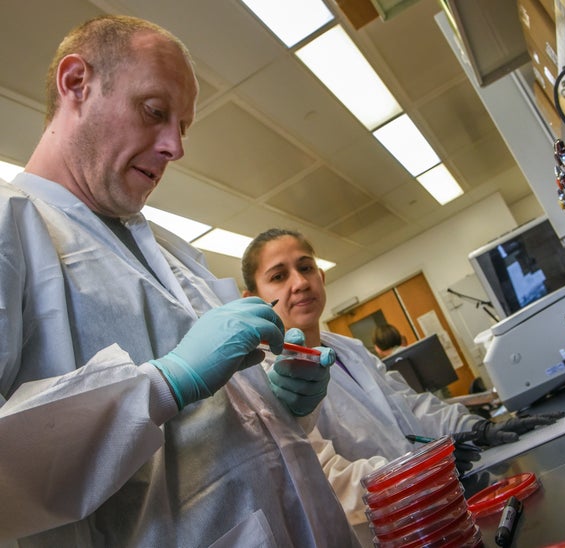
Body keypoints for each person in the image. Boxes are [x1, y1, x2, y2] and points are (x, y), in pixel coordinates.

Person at [0, 16, 360, 547]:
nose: (175, 146)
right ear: (76, 83)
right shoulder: (13, 229)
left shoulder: (170, 249)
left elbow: (222, 430)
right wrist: (163, 384)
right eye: (154, 112)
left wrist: (282, 404)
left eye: (183, 126)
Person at [241, 228, 563, 525]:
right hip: (382, 530)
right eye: (279, 276)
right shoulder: (266, 378)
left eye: (306, 267)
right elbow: (330, 482)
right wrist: (424, 472)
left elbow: (411, 407)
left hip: (433, 509)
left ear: (321, 276)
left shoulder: (350, 350)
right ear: (252, 300)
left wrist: (476, 428)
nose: (299, 282)